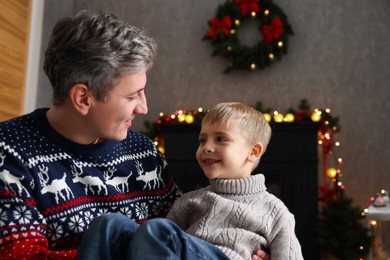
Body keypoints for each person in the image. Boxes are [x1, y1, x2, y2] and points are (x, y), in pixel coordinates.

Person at [0, 11, 269, 260]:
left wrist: (245, 250)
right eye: (132, 96)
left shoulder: (142, 150)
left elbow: (186, 233)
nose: (143, 107)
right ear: (83, 98)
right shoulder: (10, 153)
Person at [77, 102, 301, 259]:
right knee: (109, 224)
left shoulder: (275, 211)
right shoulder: (189, 201)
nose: (207, 147)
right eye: (203, 140)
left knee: (158, 230)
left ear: (253, 152)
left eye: (221, 138)